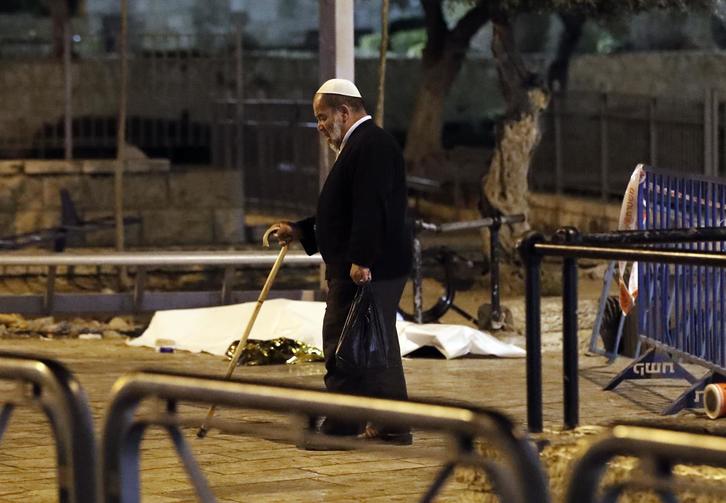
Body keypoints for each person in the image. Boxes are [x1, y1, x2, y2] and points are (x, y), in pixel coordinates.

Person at [267, 78, 413, 445]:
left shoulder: (370, 145)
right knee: (369, 345)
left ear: (344, 112)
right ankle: (383, 424)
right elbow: (344, 212)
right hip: (367, 264)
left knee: (345, 343)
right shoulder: (362, 145)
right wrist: (301, 230)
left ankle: (343, 426)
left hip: (366, 268)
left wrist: (361, 259)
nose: (319, 126)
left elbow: (370, 208)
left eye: (322, 117)